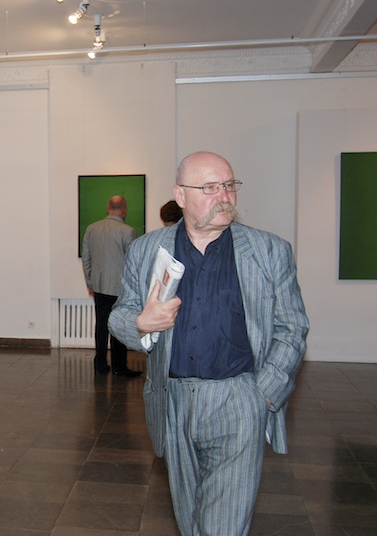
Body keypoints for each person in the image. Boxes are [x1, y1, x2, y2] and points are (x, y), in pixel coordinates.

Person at [109, 151, 309, 535]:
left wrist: (262, 395)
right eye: (210, 187)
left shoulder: (269, 252)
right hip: (173, 401)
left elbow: (292, 327)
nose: (224, 196)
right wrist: (140, 323)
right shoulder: (147, 250)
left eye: (229, 185)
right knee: (190, 521)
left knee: (222, 526)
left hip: (239, 399)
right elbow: (120, 315)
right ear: (180, 195)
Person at [82, 195, 140, 377]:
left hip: (99, 286)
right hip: (119, 288)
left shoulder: (91, 229)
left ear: (108, 208)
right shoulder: (128, 231)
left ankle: (100, 363)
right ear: (124, 209)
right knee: (118, 326)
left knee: (101, 325)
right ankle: (119, 367)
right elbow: (132, 264)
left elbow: (86, 259)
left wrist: (90, 283)